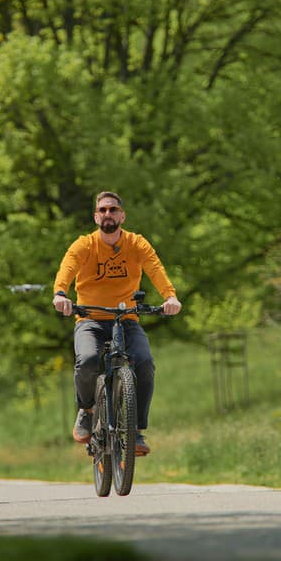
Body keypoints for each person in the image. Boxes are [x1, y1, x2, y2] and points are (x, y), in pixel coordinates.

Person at [52, 191, 182, 456]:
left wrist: (170, 296)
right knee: (87, 359)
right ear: (96, 216)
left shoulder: (136, 244)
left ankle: (136, 430)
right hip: (90, 319)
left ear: (122, 215)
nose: (108, 214)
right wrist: (60, 294)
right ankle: (87, 411)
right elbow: (67, 268)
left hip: (126, 319)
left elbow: (155, 268)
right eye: (103, 210)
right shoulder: (84, 245)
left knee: (144, 363)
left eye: (113, 209)